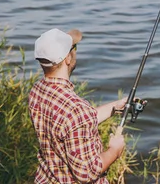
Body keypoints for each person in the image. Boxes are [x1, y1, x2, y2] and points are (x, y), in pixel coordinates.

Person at [28, 28, 126, 183]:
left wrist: (114, 106)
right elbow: (86, 173)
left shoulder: (37, 91)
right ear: (67, 58)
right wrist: (114, 150)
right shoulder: (76, 111)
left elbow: (71, 124)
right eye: (74, 48)